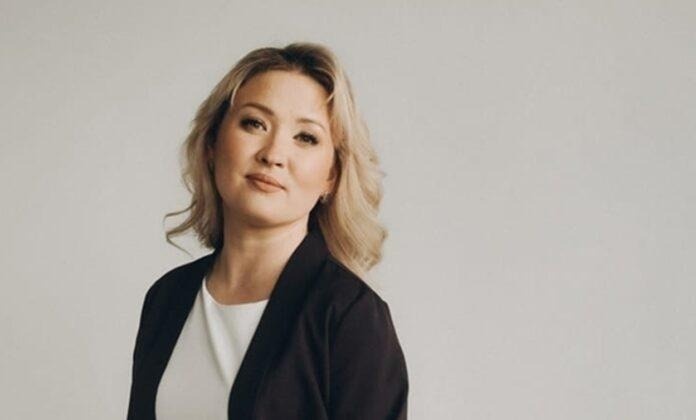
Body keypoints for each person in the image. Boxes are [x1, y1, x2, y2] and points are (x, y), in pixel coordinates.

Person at [127, 42, 409, 420]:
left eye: (305, 137)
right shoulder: (167, 298)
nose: (273, 154)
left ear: (332, 175)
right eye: (254, 123)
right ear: (212, 143)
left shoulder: (348, 314)